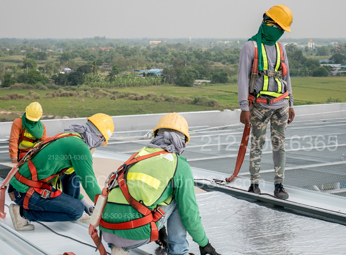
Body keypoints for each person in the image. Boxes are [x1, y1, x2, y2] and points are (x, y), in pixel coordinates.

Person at [99, 113, 220, 255]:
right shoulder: (179, 165)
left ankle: (119, 247)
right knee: (179, 199)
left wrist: (161, 229)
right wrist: (204, 244)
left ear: (156, 135)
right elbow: (189, 214)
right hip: (133, 232)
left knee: (162, 192)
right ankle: (178, 252)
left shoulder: (139, 155)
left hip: (107, 231)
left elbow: (146, 195)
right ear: (182, 141)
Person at [8, 113, 114, 231]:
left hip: (21, 185)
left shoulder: (71, 136)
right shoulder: (81, 148)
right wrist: (106, 209)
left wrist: (85, 204)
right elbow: (90, 183)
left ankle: (72, 205)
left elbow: (70, 178)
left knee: (73, 173)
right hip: (23, 191)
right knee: (76, 211)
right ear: (99, 138)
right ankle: (22, 213)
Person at [237, 5, 295, 199]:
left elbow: (286, 77)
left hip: (281, 105)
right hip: (259, 106)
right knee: (257, 144)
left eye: (282, 30)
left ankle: (279, 185)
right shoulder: (250, 47)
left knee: (280, 146)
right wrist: (244, 108)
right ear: (268, 23)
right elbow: (243, 79)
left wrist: (291, 103)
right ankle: (254, 184)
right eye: (278, 28)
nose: (279, 33)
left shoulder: (280, 48)